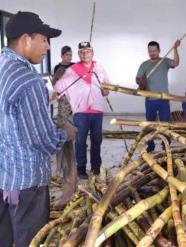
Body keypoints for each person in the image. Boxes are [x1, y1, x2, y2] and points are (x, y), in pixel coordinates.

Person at [0, 11, 77, 247]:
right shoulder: (28, 80)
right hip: (27, 183)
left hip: (3, 177)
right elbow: (43, 140)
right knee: (30, 240)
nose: (47, 47)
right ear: (26, 39)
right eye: (43, 40)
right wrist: (66, 134)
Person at [54, 41, 110, 179]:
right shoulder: (72, 70)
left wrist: (105, 90)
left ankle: (96, 166)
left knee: (97, 139)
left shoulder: (99, 68)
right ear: (79, 54)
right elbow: (59, 88)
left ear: (92, 53)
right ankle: (81, 168)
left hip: (97, 110)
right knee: (80, 141)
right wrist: (55, 86)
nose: (85, 54)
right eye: (82, 52)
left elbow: (107, 88)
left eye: (88, 51)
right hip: (80, 112)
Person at [136, 40, 180, 151]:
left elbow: (175, 63)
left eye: (154, 50)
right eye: (150, 51)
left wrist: (175, 48)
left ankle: (166, 144)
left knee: (165, 123)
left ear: (159, 51)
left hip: (164, 99)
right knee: (150, 124)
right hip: (150, 99)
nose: (152, 53)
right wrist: (141, 81)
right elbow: (137, 79)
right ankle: (150, 146)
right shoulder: (144, 65)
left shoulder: (164, 62)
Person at [53, 45, 77, 206]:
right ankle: (64, 162)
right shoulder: (58, 67)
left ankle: (72, 144)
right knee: (63, 125)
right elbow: (55, 84)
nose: (68, 57)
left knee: (73, 127)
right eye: (66, 55)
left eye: (70, 55)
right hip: (63, 102)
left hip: (74, 99)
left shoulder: (75, 66)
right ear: (62, 56)